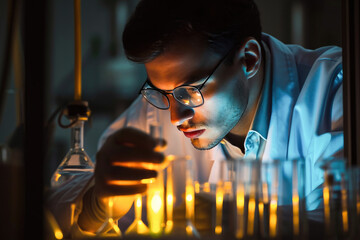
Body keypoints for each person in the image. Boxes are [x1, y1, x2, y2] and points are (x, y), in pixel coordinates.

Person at [47, 0, 343, 237]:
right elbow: (52, 210)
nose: (176, 117)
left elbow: (344, 220)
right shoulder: (160, 107)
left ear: (249, 59)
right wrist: (98, 205)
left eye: (191, 91)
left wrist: (239, 220)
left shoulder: (335, 89)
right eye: (163, 92)